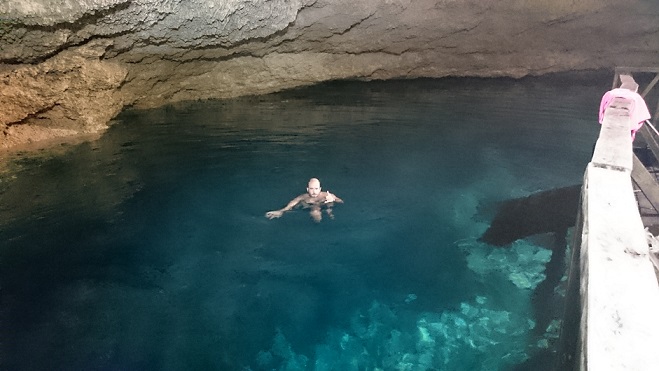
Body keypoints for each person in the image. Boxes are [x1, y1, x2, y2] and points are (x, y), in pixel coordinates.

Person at [598, 74, 651, 141]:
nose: (618, 111)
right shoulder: (612, 96)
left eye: (624, 108)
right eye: (613, 107)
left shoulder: (612, 96)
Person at [265, 178, 344, 222]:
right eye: (311, 189)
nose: (314, 191)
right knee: (315, 212)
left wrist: (333, 199)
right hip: (311, 207)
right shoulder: (303, 197)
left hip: (324, 205)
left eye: (316, 189)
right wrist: (281, 211)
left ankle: (329, 216)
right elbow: (292, 204)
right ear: (307, 189)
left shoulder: (326, 195)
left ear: (320, 189)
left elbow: (341, 201)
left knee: (328, 207)